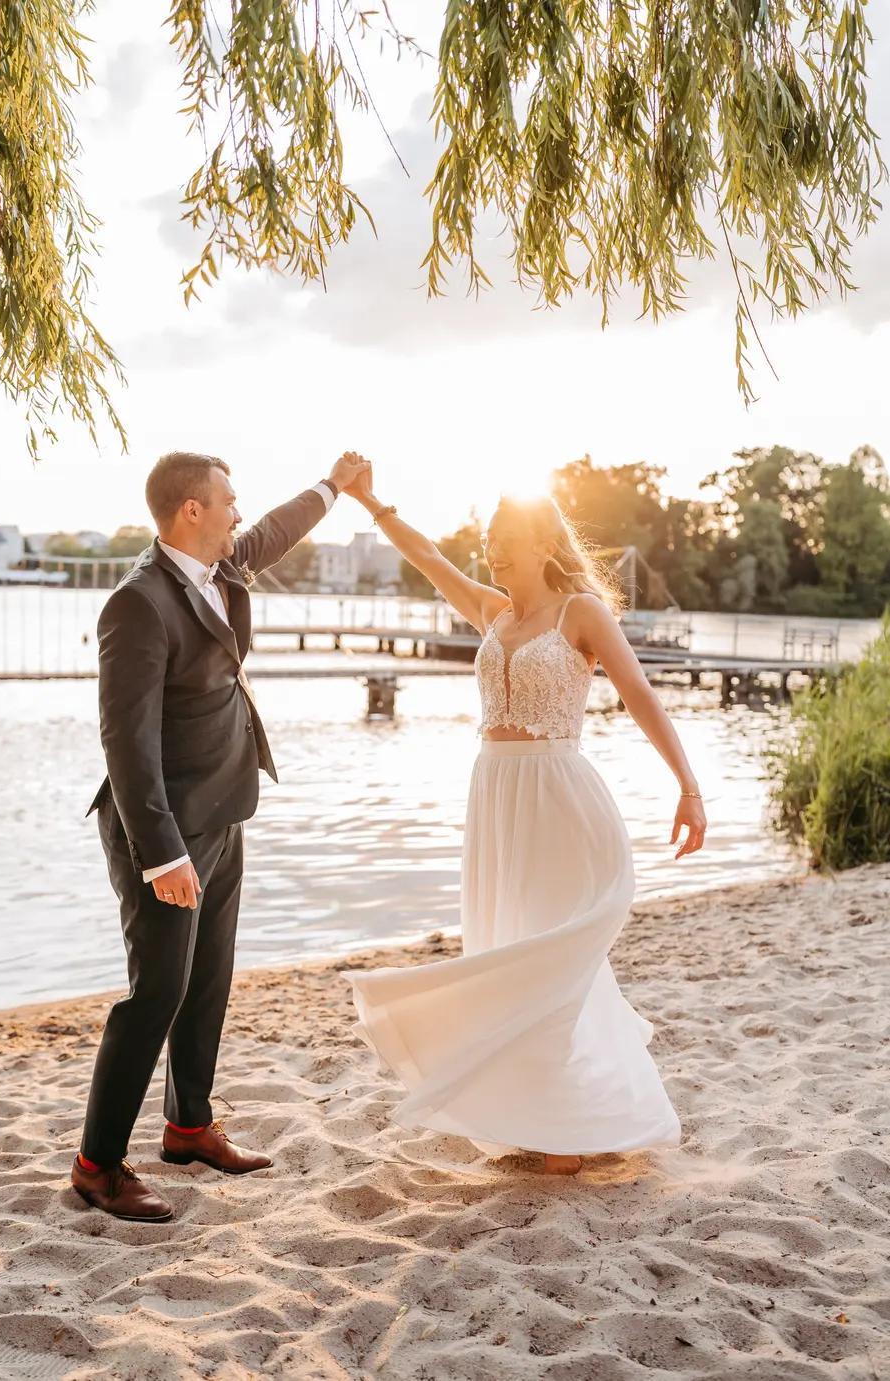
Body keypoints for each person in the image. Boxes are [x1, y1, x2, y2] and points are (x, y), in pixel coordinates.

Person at [343, 464, 706, 1175]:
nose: (493, 549)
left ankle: (561, 1133)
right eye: (489, 537)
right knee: (506, 948)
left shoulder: (581, 614)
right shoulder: (492, 611)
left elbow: (639, 695)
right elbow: (426, 557)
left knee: (547, 957)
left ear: (544, 542)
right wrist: (368, 500)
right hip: (495, 797)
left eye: (507, 538)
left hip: (557, 797)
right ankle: (553, 1118)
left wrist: (688, 787)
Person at [73, 449, 368, 1221]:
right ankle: (96, 1165)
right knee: (157, 992)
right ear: (189, 510)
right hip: (163, 829)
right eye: (227, 500)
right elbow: (124, 739)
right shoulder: (137, 604)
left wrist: (334, 486)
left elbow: (276, 530)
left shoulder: (224, 563)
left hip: (225, 808)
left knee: (208, 980)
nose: (239, 512)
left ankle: (188, 1127)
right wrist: (162, 851)